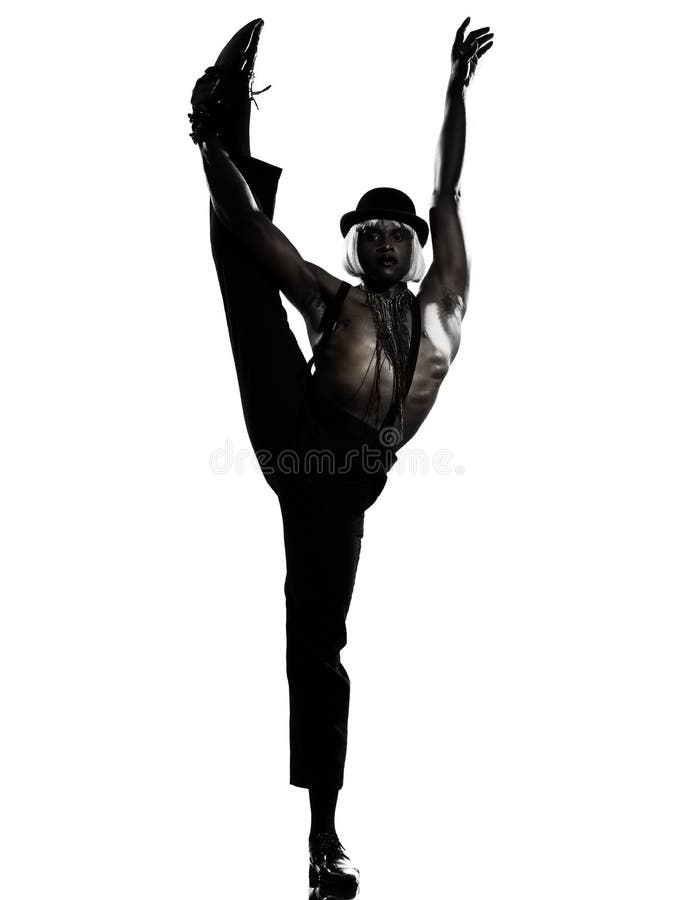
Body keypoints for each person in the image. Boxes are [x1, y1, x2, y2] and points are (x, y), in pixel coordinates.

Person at [188, 16, 493, 896]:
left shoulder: (448, 300)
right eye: (372, 234)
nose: (389, 240)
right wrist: (212, 150)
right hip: (297, 427)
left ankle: (323, 840)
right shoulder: (332, 299)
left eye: (400, 232)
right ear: (355, 247)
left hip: (347, 483)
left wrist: (454, 89)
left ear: (419, 247)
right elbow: (255, 233)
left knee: (317, 645)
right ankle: (217, 123)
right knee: (247, 264)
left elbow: (447, 189)